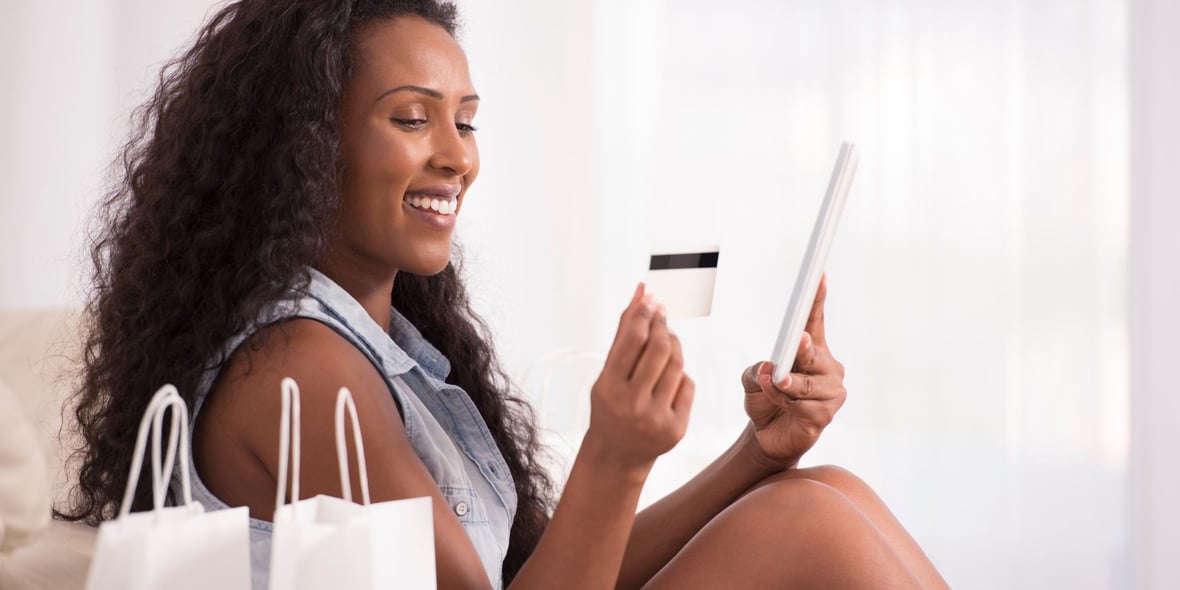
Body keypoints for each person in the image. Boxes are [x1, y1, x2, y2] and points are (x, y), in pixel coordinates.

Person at [59, 0, 947, 588]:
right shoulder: (299, 371)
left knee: (822, 486)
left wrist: (757, 451)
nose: (458, 153)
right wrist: (614, 456)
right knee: (809, 524)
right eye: (412, 118)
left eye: (466, 118)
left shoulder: (382, 354)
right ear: (302, 146)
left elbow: (546, 572)